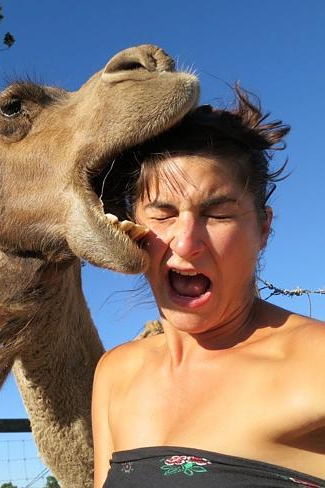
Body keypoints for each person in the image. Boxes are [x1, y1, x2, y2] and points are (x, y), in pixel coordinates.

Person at [92, 87, 325, 487]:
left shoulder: (315, 363)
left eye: (217, 213)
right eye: (162, 214)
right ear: (131, 228)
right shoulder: (117, 374)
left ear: (263, 227)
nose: (185, 243)